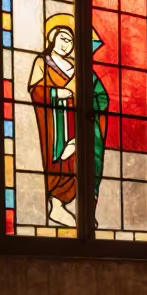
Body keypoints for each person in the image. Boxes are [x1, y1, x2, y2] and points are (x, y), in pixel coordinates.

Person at [28, 15, 109, 228]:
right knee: (59, 161)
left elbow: (101, 97)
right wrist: (61, 93)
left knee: (79, 161)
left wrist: (87, 103)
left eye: (71, 41)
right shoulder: (42, 62)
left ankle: (83, 211)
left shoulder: (80, 70)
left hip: (78, 126)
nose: (67, 44)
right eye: (63, 38)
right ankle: (56, 204)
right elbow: (36, 92)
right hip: (55, 124)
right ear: (52, 38)